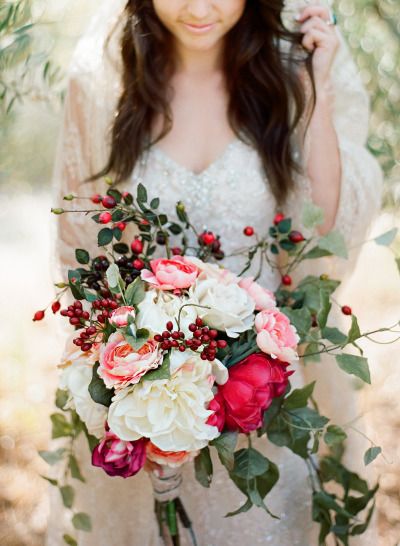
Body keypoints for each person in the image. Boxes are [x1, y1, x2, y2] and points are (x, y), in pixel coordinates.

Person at [48, 1, 383, 544]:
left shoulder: (284, 77)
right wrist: (128, 394)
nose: (199, 8)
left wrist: (317, 89)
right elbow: (84, 250)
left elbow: (320, 224)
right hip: (143, 395)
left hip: (261, 389)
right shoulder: (102, 82)